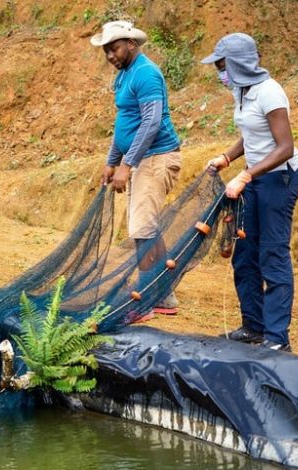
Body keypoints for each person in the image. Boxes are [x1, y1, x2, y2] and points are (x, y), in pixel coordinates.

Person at [203, 33, 298, 351]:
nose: (221, 74)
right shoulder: (242, 91)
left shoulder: (269, 92)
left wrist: (244, 175)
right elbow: (252, 134)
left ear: (240, 63)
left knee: (272, 254)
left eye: (223, 66)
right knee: (245, 255)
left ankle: (276, 339)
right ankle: (253, 326)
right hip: (256, 178)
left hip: (279, 179)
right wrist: (227, 158)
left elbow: (284, 147)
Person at [91, 21, 182, 318]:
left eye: (114, 48)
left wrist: (127, 164)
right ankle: (163, 294)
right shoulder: (125, 75)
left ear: (131, 44)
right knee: (147, 226)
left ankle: (144, 301)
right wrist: (112, 161)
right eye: (106, 50)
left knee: (142, 228)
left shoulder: (146, 74)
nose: (110, 56)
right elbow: (125, 123)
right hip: (141, 158)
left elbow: (151, 122)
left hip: (156, 158)